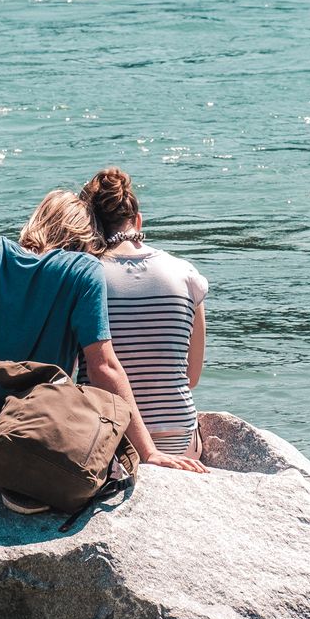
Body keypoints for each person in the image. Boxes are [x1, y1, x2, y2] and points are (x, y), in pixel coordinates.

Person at [0, 190, 206, 510]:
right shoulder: (83, 272)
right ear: (87, 239)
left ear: (36, 221)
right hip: (31, 423)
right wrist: (148, 452)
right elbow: (104, 367)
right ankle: (15, 468)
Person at [79, 168, 208, 459]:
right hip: (179, 437)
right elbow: (192, 376)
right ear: (138, 220)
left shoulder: (84, 276)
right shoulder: (186, 273)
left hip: (109, 439)